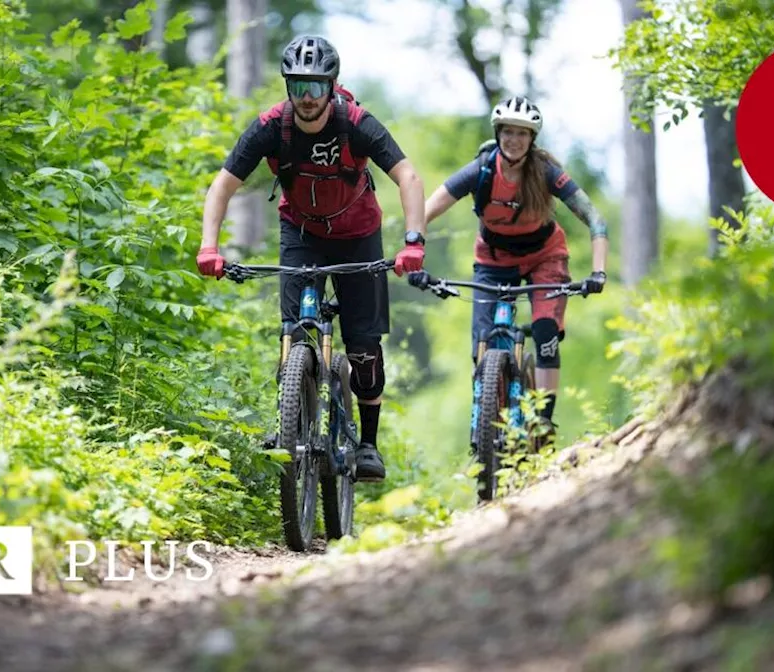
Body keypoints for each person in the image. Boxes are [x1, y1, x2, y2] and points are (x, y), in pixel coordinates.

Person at [195, 35, 428, 482]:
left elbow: (408, 175)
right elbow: (222, 185)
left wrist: (413, 240)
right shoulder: (270, 127)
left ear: (332, 86)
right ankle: (289, 423)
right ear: (287, 87)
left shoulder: (356, 122)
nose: (306, 98)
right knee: (294, 328)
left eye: (316, 87)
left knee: (362, 345)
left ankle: (368, 445)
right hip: (301, 232)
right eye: (298, 86)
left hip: (359, 235)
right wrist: (210, 247)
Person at [421, 95, 609, 442]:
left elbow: (595, 218)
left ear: (532, 139)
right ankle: (484, 411)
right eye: (507, 132)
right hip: (493, 258)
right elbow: (429, 207)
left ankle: (543, 425)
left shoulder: (547, 173)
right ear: (498, 132)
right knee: (480, 340)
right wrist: (414, 245)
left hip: (545, 257)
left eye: (522, 134)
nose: (513, 139)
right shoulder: (482, 169)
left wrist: (598, 272)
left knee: (544, 333)